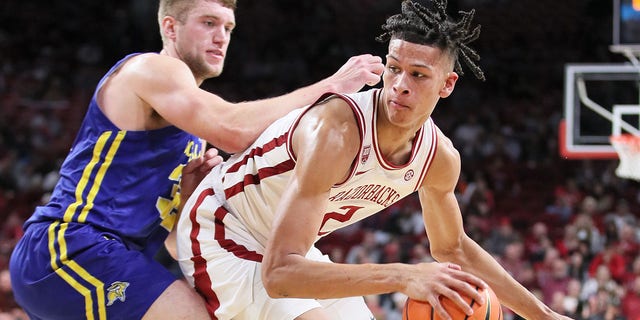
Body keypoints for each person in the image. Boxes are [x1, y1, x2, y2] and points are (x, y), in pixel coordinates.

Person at [176, 0, 572, 319]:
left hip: (291, 251)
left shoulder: (439, 158)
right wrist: (403, 276)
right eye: (394, 69)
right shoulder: (337, 130)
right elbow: (280, 275)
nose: (400, 85)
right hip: (225, 232)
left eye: (418, 75)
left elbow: (453, 250)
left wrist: (544, 316)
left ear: (447, 84)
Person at [8, 0, 384, 319]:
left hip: (107, 256)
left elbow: (175, 245)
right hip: (70, 247)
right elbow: (232, 130)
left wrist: (187, 204)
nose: (221, 36)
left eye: (228, 27)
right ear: (170, 28)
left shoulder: (189, 134)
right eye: (208, 23)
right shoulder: (152, 69)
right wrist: (329, 87)